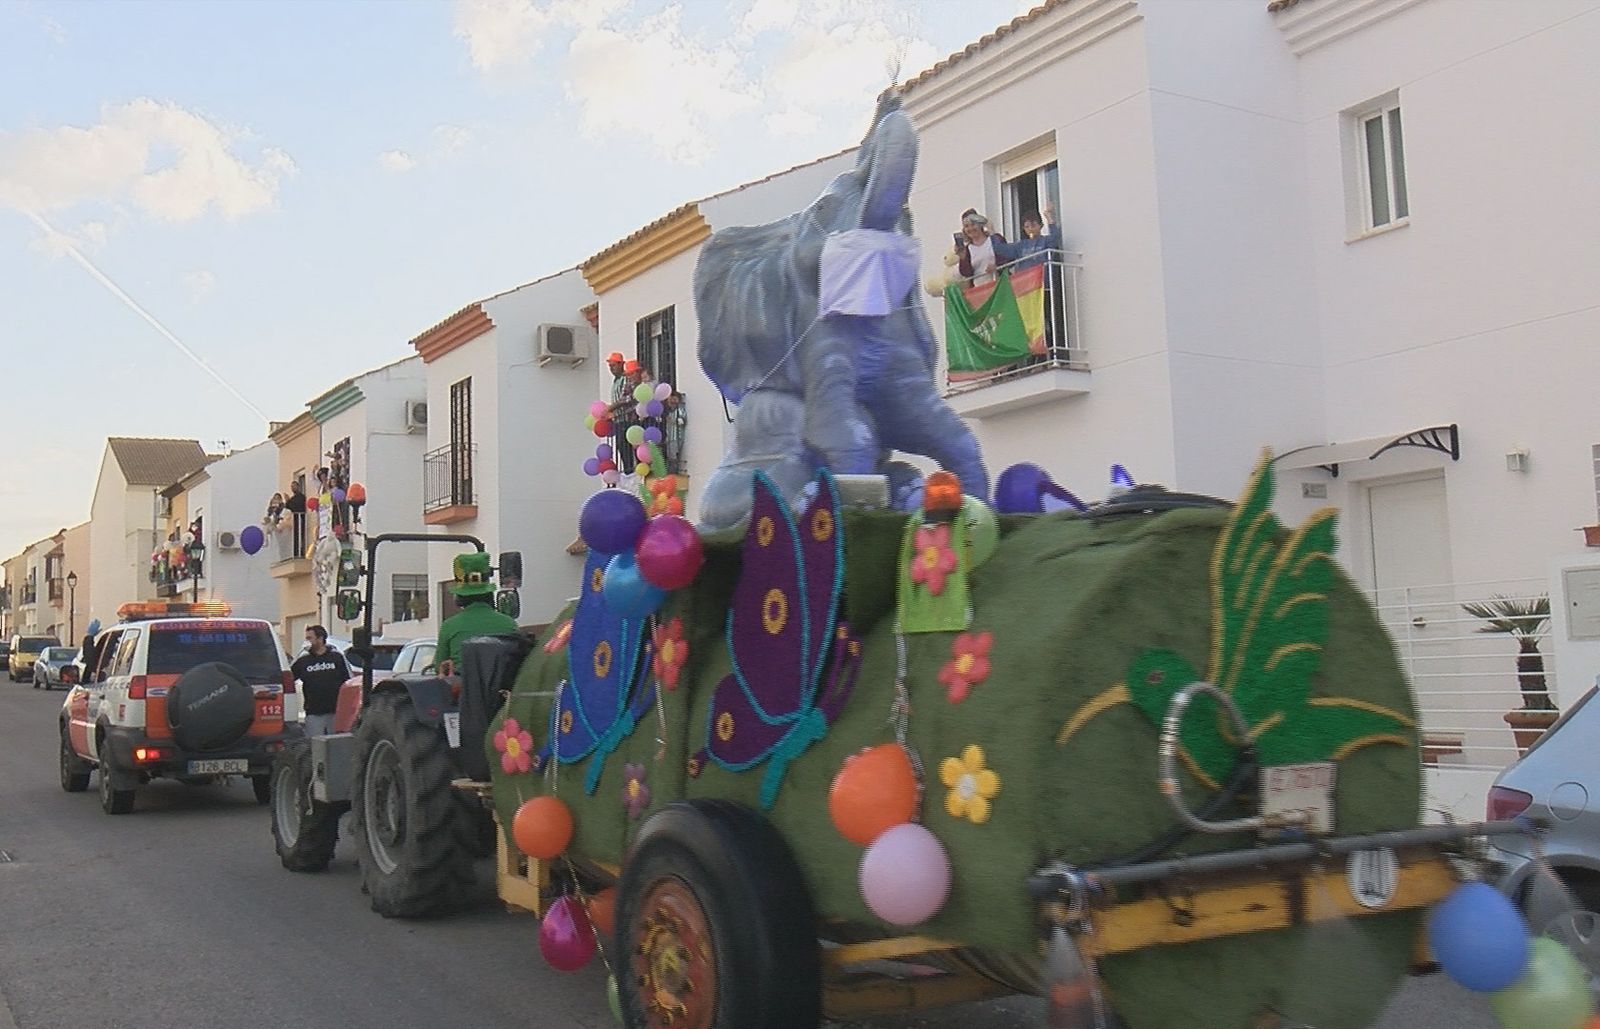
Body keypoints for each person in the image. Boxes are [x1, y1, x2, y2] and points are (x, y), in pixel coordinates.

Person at [436, 552, 519, 677]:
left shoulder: (449, 626)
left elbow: (439, 666)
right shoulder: (509, 624)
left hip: (462, 692)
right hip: (502, 692)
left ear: (458, 597)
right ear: (489, 593)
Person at [292, 625, 350, 737]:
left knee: (336, 742)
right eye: (306, 638)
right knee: (315, 744)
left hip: (336, 711)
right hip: (314, 712)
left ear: (320, 638)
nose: (307, 642)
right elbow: (290, 678)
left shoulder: (336, 657)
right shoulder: (303, 660)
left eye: (310, 638)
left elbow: (348, 682)